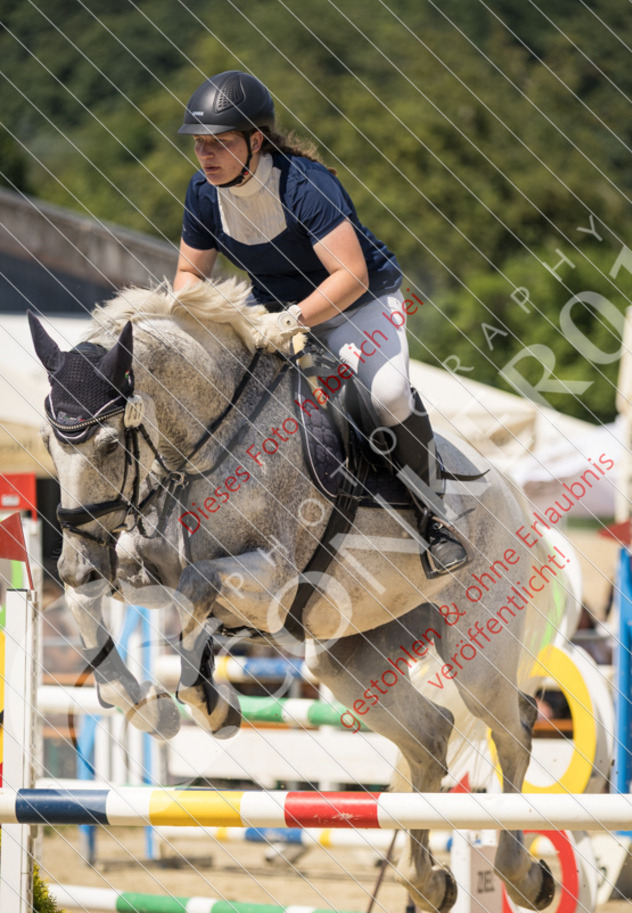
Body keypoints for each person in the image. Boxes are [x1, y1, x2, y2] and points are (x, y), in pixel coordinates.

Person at [174, 69, 467, 575]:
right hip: (275, 315)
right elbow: (187, 275)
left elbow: (350, 275)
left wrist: (292, 319)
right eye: (199, 143)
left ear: (255, 140)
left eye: (220, 143)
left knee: (388, 395)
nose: (206, 154)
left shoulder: (306, 185)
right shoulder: (203, 193)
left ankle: (434, 517)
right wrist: (192, 319)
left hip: (359, 306)